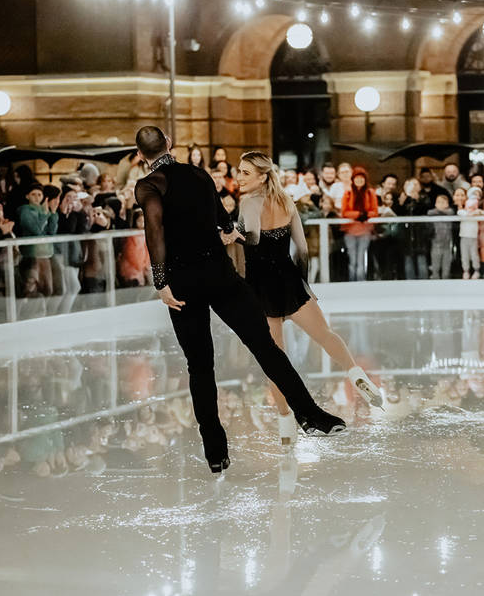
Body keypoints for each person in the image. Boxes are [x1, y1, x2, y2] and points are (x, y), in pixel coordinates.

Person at [133, 127, 344, 472]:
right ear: (169, 144)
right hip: (219, 275)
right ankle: (311, 415)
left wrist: (161, 282)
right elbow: (224, 221)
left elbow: (154, 229)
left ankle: (216, 452)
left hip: (183, 283)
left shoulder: (149, 185)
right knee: (265, 347)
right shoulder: (200, 174)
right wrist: (228, 231)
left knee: (201, 365)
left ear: (140, 154)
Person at [235, 151, 381, 444]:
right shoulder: (286, 201)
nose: (239, 177)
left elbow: (251, 238)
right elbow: (301, 250)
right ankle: (354, 372)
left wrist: (232, 234)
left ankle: (286, 420)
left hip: (261, 287)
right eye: (239, 171)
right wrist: (303, 285)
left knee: (277, 360)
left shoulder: (249, 202)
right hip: (290, 280)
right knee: (325, 335)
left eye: (245, 173)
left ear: (262, 176)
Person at [340, 166, 378, 282]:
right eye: (357, 178)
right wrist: (358, 215)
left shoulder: (370, 193)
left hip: (364, 231)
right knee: (353, 259)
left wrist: (366, 215)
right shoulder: (348, 193)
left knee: (361, 258)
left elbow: (375, 211)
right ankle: (352, 281)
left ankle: (360, 282)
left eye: (362, 178)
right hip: (350, 231)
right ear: (353, 180)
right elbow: (344, 212)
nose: (359, 181)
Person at [426, 192, 456, 279]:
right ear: (435, 204)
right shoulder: (432, 213)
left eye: (443, 202)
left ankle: (445, 281)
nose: (441, 204)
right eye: (439, 202)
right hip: (436, 243)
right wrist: (439, 210)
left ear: (447, 204)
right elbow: (429, 212)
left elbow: (450, 212)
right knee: (435, 266)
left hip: (447, 245)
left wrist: (441, 210)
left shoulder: (450, 212)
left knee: (446, 268)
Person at [459, 189, 482, 279]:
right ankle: (466, 270)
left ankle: (476, 270)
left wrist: (475, 212)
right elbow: (461, 213)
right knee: (464, 255)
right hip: (464, 236)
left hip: (473, 236)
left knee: (474, 254)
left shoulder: (478, 212)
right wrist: (468, 213)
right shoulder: (462, 211)